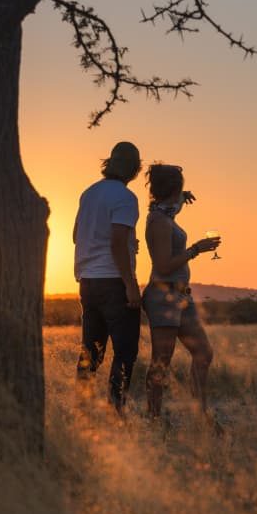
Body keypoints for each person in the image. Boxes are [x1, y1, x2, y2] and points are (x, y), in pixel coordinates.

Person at [141, 164, 222, 420]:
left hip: (181, 297)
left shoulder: (163, 211)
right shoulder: (159, 221)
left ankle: (200, 415)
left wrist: (182, 198)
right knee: (161, 362)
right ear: (173, 188)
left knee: (203, 353)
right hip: (163, 297)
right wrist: (195, 249)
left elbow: (171, 206)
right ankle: (154, 418)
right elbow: (164, 265)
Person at [73, 140, 143, 412]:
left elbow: (77, 235)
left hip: (88, 282)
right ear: (136, 169)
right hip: (114, 282)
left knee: (91, 353)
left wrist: (126, 243)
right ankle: (116, 413)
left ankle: (82, 410)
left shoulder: (89, 193)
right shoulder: (126, 198)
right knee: (125, 353)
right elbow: (115, 243)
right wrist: (131, 285)